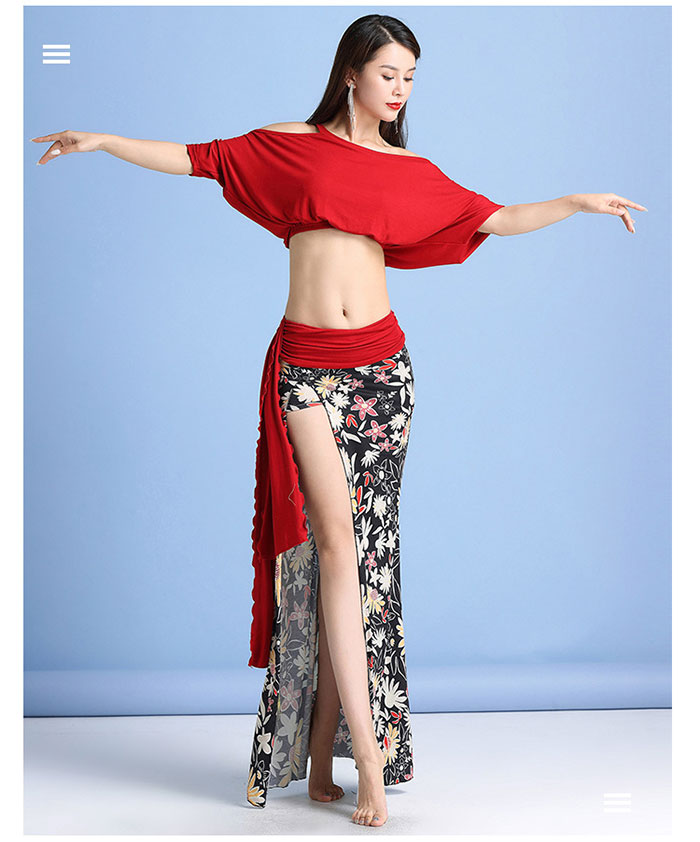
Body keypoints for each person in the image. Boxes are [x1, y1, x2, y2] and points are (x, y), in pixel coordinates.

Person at [31, 12, 646, 829]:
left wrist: (574, 203)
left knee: (361, 562)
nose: (401, 90)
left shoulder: (409, 169)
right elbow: (196, 158)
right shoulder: (291, 146)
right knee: (333, 549)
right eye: (389, 74)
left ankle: (325, 755)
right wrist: (105, 140)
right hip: (306, 370)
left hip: (383, 375)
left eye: (411, 79)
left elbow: (494, 217)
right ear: (352, 72)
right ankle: (371, 762)